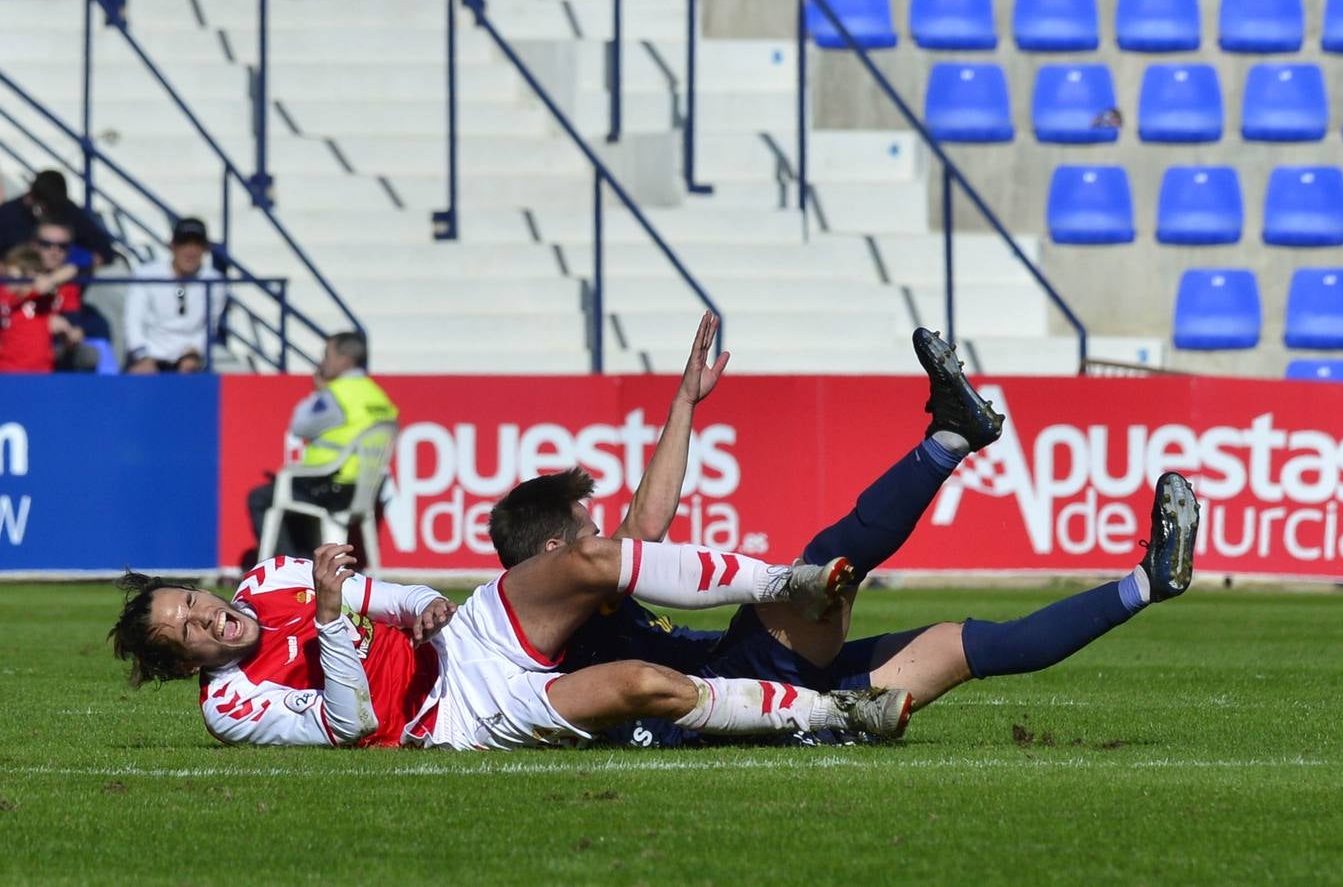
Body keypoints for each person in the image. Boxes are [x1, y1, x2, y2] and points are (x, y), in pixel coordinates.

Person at [491, 324, 1201, 747]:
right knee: (827, 567)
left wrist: (682, 403)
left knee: (968, 643)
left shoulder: (566, 610)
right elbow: (645, 525)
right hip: (734, 687)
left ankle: (1148, 582)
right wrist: (682, 404)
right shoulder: (553, 617)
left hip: (752, 683)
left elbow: (640, 525)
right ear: (552, 553)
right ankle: (953, 435)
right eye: (587, 533)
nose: (605, 543)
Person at [109, 538, 911, 750]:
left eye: (190, 599)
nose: (203, 615)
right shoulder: (231, 708)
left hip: (464, 640)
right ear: (186, 664)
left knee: (591, 561)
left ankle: (784, 584)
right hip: (458, 716)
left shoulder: (269, 579)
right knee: (641, 682)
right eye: (183, 631)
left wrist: (422, 606)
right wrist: (328, 621)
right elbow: (347, 726)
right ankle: (835, 711)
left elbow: (396, 597)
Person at [245, 331, 397, 561]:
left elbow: (299, 426)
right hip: (363, 489)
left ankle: (292, 571)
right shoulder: (379, 396)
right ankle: (306, 562)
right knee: (291, 493)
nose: (322, 363)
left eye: (327, 356)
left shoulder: (337, 394)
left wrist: (319, 392)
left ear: (344, 359)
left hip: (332, 486)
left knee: (262, 497)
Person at [123, 217, 223, 373]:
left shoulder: (214, 281)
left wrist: (195, 352)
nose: (190, 251)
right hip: (149, 356)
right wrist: (142, 356)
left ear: (205, 248)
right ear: (172, 246)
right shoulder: (146, 274)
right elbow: (133, 321)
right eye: (184, 244)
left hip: (190, 359)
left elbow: (210, 325)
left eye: (196, 245)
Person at [0, 245, 87, 374]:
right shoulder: (5, 297)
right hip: (7, 371)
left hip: (42, 371)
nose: (9, 283)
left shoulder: (43, 301)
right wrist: (47, 282)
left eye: (15, 277)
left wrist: (67, 332)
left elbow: (72, 269)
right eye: (8, 277)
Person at [31, 217, 104, 372]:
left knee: (89, 354)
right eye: (46, 244)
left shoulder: (69, 284)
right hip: (18, 351)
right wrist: (44, 324)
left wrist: (72, 333)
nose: (54, 251)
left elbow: (73, 321)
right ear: (34, 245)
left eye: (62, 246)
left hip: (54, 350)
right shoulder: (15, 276)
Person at [0, 170, 116, 266]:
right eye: (45, 206)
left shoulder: (67, 210)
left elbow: (104, 252)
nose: (50, 211)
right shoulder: (7, 215)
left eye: (62, 246)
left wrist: (71, 269)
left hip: (62, 287)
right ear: (32, 196)